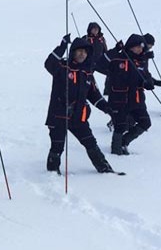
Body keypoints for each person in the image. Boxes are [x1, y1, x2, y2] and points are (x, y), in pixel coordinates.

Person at [44, 34, 116, 174]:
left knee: (90, 143)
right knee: (57, 146)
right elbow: (49, 63)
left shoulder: (87, 73)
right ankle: (52, 171)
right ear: (73, 52)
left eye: (85, 51)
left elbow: (94, 95)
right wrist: (62, 46)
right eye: (79, 51)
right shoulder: (62, 67)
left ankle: (104, 168)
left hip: (78, 116)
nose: (82, 54)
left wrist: (107, 109)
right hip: (58, 115)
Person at [97, 34, 154, 155]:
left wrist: (148, 82)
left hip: (137, 99)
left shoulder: (141, 61)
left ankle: (124, 141)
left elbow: (146, 75)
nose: (139, 50)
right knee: (120, 126)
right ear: (131, 46)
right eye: (137, 47)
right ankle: (116, 150)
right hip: (119, 99)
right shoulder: (118, 59)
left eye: (141, 48)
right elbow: (99, 64)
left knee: (145, 122)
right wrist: (114, 50)